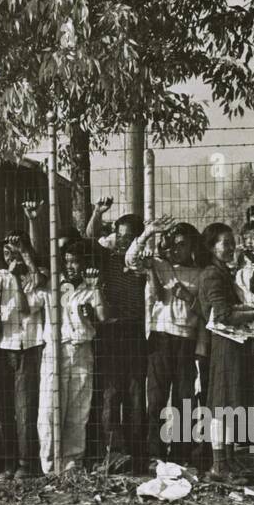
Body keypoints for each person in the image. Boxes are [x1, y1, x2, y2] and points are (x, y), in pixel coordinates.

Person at [85, 199, 154, 470]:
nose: (124, 242)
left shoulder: (140, 262)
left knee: (136, 393)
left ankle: (137, 453)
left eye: (129, 237)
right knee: (111, 393)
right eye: (120, 236)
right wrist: (97, 213)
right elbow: (90, 238)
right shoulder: (107, 258)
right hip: (111, 330)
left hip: (134, 329)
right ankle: (115, 451)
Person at [131, 221, 203, 467]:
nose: (176, 250)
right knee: (156, 397)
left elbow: (207, 309)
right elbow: (131, 260)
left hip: (186, 340)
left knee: (184, 398)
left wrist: (189, 297)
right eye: (172, 244)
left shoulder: (200, 273)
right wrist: (148, 232)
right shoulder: (160, 266)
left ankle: (181, 453)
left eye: (182, 245)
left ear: (193, 246)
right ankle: (156, 453)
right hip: (160, 337)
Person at [198, 223, 254, 482]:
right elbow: (224, 315)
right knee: (221, 404)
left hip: (235, 344)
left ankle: (227, 460)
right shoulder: (212, 275)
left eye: (232, 242)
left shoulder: (222, 272)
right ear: (211, 246)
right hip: (225, 344)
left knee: (229, 403)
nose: (231, 248)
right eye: (225, 243)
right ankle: (219, 465)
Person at [33, 242, 106, 475]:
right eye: (67, 261)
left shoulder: (90, 288)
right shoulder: (52, 287)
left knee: (78, 408)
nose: (71, 266)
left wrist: (96, 292)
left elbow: (103, 317)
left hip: (82, 350)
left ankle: (72, 463)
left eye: (75, 261)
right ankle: (49, 465)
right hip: (57, 350)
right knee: (49, 409)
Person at [0, 232, 40, 480]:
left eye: (15, 251)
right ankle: (8, 462)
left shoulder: (32, 276)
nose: (9, 257)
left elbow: (26, 304)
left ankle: (26, 462)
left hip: (28, 348)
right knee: (4, 409)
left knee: (25, 410)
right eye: (5, 253)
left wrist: (20, 264)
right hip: (3, 349)